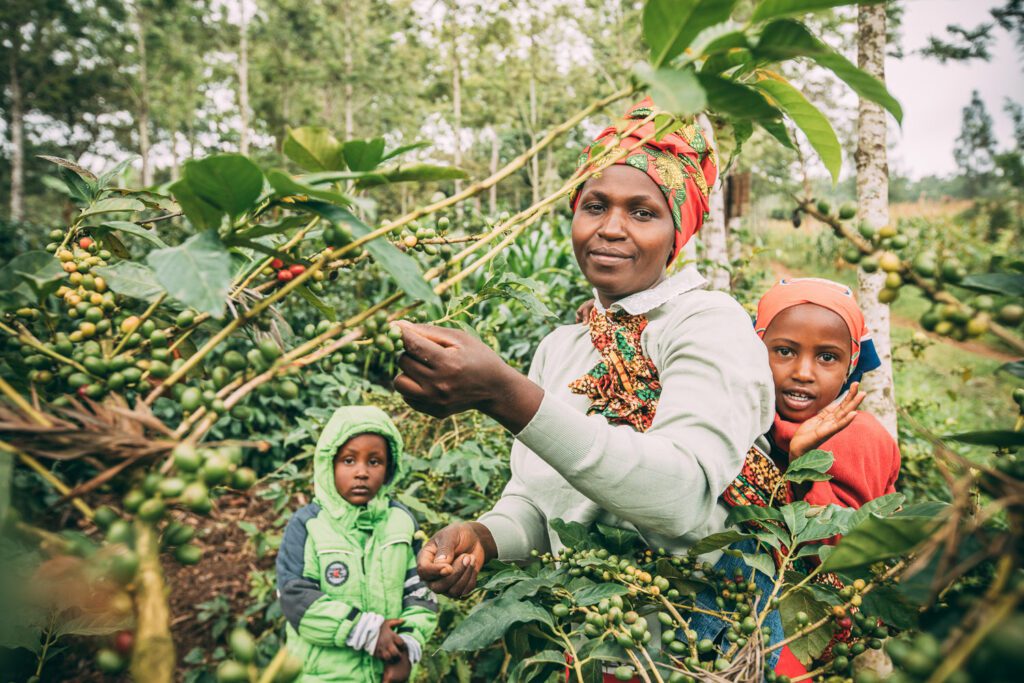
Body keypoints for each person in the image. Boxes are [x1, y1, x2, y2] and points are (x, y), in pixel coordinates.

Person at [394, 97, 774, 610]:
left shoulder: (708, 325)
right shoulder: (561, 347)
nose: (611, 227)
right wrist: (484, 538)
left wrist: (504, 395)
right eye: (595, 206)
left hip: (693, 648)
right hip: (585, 641)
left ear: (676, 236)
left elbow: (681, 498)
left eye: (643, 212)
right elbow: (539, 501)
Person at [276, 406, 438, 683]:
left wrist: (406, 650)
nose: (362, 472)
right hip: (321, 676)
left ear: (389, 469)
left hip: (387, 673)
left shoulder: (402, 522)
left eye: (374, 462)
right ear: (329, 464)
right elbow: (295, 599)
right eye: (349, 461)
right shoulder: (308, 526)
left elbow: (421, 594)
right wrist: (368, 632)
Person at [752, 277, 901, 509]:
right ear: (757, 350)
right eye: (784, 351)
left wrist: (803, 464)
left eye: (827, 357)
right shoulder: (739, 420)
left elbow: (846, 539)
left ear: (849, 369)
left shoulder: (863, 439)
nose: (803, 373)